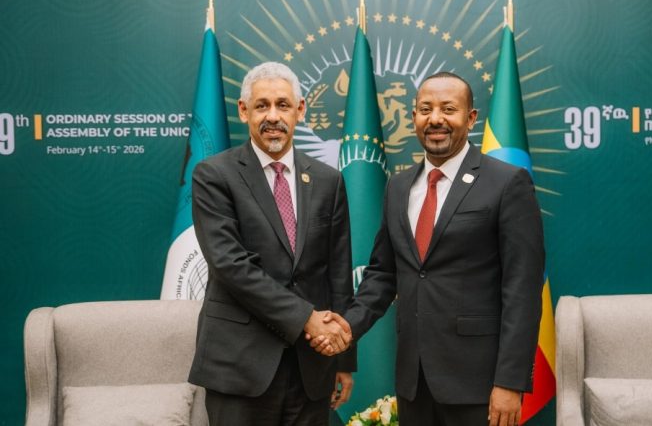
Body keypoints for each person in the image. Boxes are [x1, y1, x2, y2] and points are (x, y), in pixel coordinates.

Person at [311, 72, 545, 426]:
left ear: (470, 118)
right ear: (414, 117)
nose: (435, 119)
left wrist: (510, 382)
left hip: (480, 385)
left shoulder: (507, 183)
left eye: (448, 109)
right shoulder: (399, 187)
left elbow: (522, 291)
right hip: (414, 383)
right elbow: (383, 275)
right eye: (425, 109)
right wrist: (346, 328)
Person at [188, 61, 355, 426]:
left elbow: (338, 272)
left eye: (283, 104)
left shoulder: (328, 180)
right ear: (243, 111)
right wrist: (306, 319)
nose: (273, 116)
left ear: (300, 109)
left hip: (312, 366)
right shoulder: (214, 175)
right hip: (240, 365)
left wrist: (342, 357)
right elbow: (231, 265)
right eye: (262, 105)